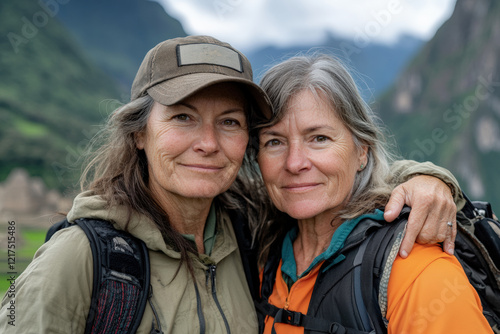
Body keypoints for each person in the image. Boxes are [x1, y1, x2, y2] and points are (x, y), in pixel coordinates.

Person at [0, 36, 461, 333]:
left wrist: (424, 180)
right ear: (139, 132)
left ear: (246, 145)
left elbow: (321, 182)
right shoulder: (83, 257)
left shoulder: (249, 232)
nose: (207, 143)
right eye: (183, 117)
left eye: (229, 122)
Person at [255, 54, 492, 333]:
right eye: (274, 142)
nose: (294, 163)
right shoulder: (263, 254)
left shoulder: (415, 269)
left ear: (362, 152)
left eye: (319, 138)